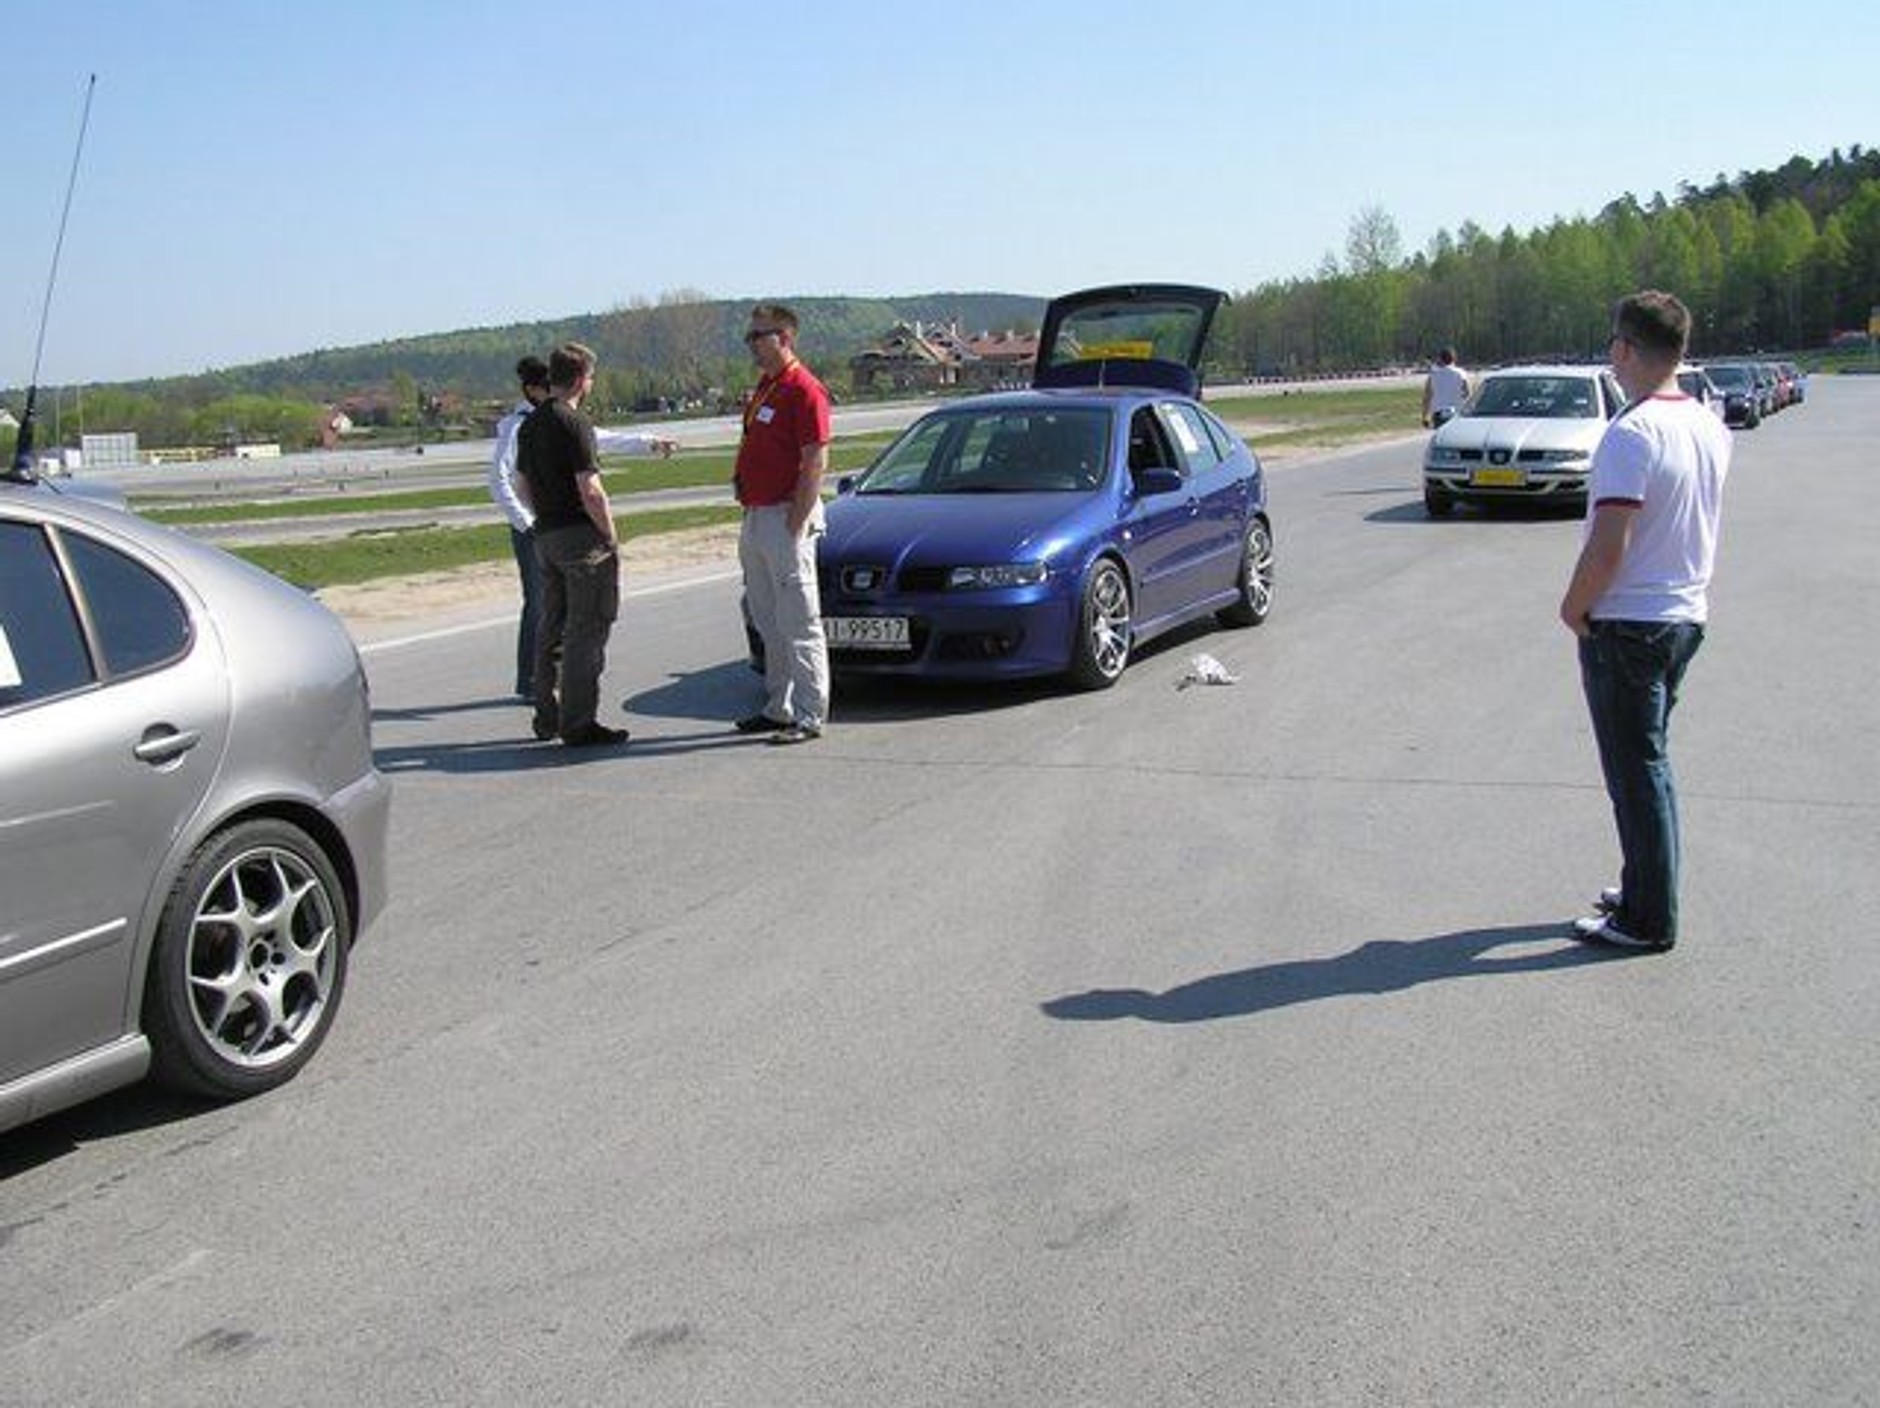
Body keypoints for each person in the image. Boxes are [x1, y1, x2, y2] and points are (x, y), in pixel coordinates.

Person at [1559, 290, 1731, 953]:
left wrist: (1574, 606)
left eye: (1614, 343)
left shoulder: (1631, 434)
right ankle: (1644, 887)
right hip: (1683, 616)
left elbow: (1609, 546)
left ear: (1625, 349)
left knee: (1636, 775)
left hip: (1630, 623)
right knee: (1649, 765)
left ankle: (1647, 918)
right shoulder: (1705, 423)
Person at [516, 342, 631, 748]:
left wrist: (544, 516)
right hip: (581, 537)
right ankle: (578, 722)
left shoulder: (531, 424)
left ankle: (547, 715)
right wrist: (609, 534)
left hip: (546, 534)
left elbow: (521, 485)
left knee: (552, 627)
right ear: (582, 379)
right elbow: (590, 488)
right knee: (586, 631)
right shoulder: (574, 422)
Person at [732, 303, 831, 745]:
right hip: (757, 515)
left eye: (758, 336)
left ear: (785, 338)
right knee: (767, 620)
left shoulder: (803, 389)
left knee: (799, 621)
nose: (751, 344)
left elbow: (815, 461)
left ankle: (810, 714)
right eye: (749, 336)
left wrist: (796, 521)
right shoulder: (767, 386)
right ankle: (780, 706)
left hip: (785, 516)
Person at [489, 356, 552, 699]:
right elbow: (498, 481)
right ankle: (530, 681)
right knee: (538, 603)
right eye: (549, 387)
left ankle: (548, 675)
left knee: (555, 603)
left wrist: (647, 441)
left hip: (552, 525)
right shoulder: (516, 427)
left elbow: (596, 437)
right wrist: (526, 523)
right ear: (532, 390)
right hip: (532, 529)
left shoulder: (550, 418)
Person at [1421, 346, 1471, 427]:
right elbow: (1468, 394)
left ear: (1440, 359)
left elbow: (1427, 397)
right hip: (1457, 412)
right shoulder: (1461, 373)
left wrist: (1425, 416)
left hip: (1439, 414)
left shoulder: (1433, 375)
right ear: (1454, 359)